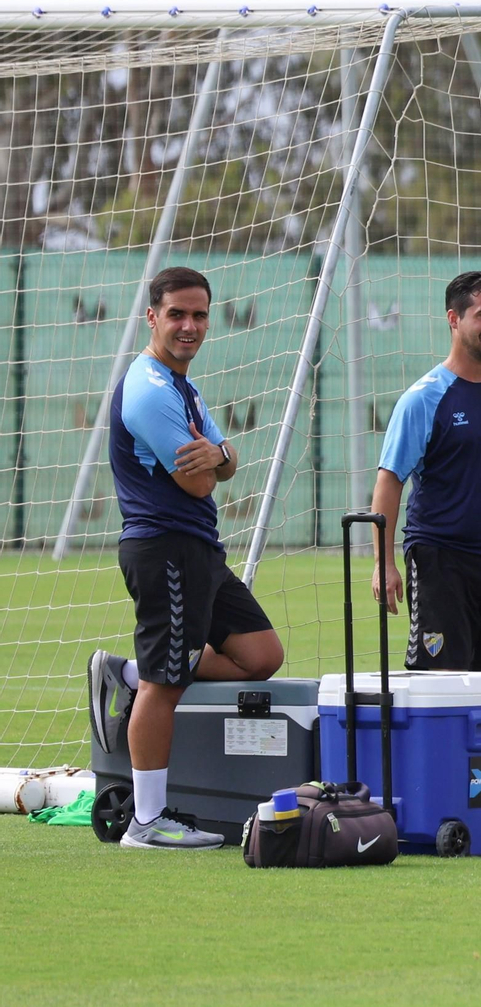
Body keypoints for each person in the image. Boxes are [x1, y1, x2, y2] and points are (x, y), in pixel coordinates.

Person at [87, 266, 284, 850]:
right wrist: (219, 458)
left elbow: (226, 461)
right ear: (152, 317)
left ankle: (128, 673)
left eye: (199, 315)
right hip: (165, 547)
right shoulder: (150, 389)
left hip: (200, 550)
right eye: (176, 314)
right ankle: (146, 822)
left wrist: (219, 454)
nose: (189, 326)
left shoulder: (184, 388)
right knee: (165, 685)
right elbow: (200, 483)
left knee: (261, 655)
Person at [370, 271, 481, 673]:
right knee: (444, 683)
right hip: (439, 561)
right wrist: (384, 563)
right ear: (454, 319)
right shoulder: (423, 399)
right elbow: (389, 481)